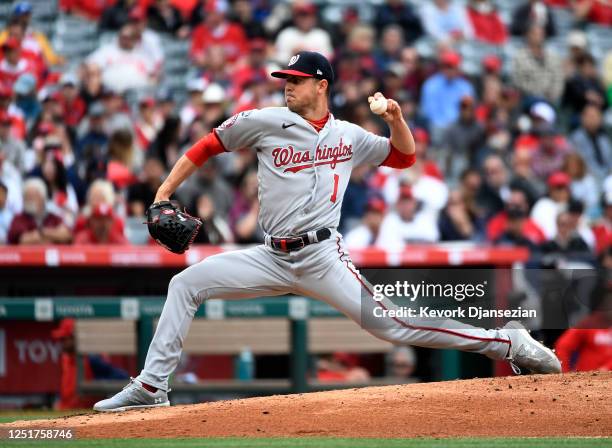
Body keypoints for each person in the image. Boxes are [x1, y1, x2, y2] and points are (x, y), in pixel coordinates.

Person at [93, 51, 561, 412]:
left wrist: (395, 118)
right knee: (185, 283)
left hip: (322, 258)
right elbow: (205, 146)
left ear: (321, 85)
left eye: (296, 81)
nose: (287, 88)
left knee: (393, 325)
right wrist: (161, 194)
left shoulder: (349, 136)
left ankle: (507, 342)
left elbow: (404, 157)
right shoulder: (265, 121)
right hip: (270, 256)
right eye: (285, 80)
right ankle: (152, 387)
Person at [7, 177, 71, 245]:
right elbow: (23, 240)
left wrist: (42, 233)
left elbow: (66, 236)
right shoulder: (18, 219)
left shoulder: (54, 218)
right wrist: (53, 236)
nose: (29, 200)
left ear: (43, 198)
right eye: (26, 197)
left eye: (32, 196)